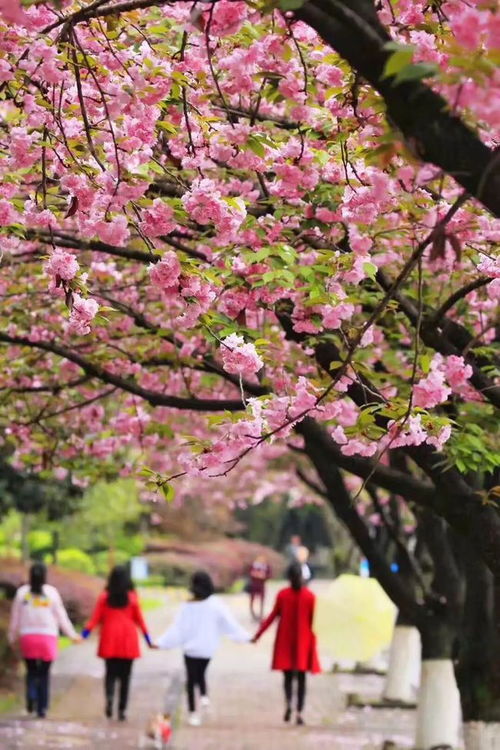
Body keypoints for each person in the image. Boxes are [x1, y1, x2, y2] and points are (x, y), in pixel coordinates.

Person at [155, 570, 250, 727]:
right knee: (200, 673)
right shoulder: (216, 604)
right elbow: (230, 624)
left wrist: (160, 643)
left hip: (190, 650)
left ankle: (193, 712)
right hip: (207, 649)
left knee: (191, 680)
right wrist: (246, 637)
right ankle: (204, 697)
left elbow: (176, 629)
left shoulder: (187, 606)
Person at [8, 562, 81, 718]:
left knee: (31, 671)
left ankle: (31, 697)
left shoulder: (22, 593)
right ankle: (42, 708)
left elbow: (15, 618)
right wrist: (72, 635)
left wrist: (11, 636)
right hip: (47, 638)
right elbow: (61, 617)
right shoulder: (51, 593)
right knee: (44, 674)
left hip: (28, 638)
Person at [252, 562, 320, 725]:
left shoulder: (283, 595)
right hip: (304, 642)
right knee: (302, 679)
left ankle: (289, 702)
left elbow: (272, 617)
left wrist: (258, 635)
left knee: (288, 678)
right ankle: (299, 712)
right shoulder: (310, 597)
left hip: (285, 641)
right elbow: (316, 622)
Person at [82, 565, 153, 721]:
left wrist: (83, 635)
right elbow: (140, 620)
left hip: (110, 639)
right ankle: (122, 709)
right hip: (128, 640)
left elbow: (95, 619)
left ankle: (109, 700)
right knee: (125, 677)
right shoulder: (132, 598)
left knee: (110, 674)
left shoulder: (104, 598)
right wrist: (149, 640)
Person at [248, 555, 272, 621]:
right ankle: (252, 613)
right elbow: (249, 572)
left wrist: (264, 576)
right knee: (252, 599)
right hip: (254, 584)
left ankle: (261, 613)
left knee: (262, 599)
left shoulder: (266, 566)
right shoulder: (253, 565)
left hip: (261, 584)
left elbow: (269, 575)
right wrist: (254, 574)